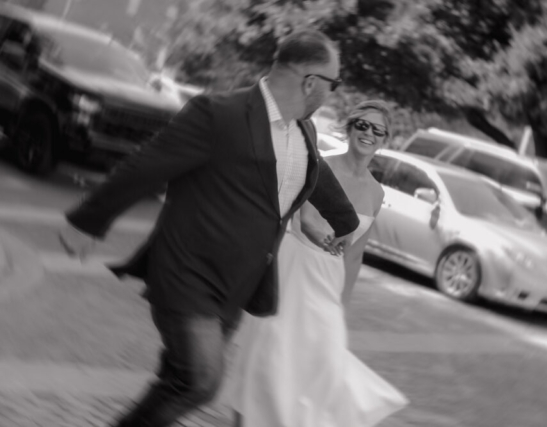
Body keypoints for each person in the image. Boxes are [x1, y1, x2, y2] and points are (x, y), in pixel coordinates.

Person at [58, 30, 360, 427]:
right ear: (310, 82)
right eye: (333, 84)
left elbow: (312, 174)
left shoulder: (304, 132)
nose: (332, 94)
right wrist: (87, 222)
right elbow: (146, 166)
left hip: (236, 288)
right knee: (202, 380)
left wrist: (347, 222)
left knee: (178, 379)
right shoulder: (219, 114)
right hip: (188, 275)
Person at [226, 100, 410, 427]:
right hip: (293, 267)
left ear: (384, 141)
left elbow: (355, 254)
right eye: (362, 125)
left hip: (328, 281)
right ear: (350, 128)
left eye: (377, 130)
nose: (368, 133)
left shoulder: (377, 193)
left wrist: (342, 304)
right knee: (268, 352)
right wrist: (317, 231)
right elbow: (304, 220)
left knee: (322, 361)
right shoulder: (321, 164)